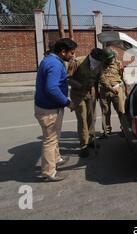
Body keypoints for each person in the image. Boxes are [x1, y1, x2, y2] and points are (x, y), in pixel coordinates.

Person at [34, 38, 77, 182]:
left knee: (54, 137)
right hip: (49, 109)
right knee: (50, 140)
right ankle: (48, 172)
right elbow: (52, 88)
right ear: (62, 52)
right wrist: (67, 102)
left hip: (48, 107)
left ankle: (56, 158)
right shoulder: (54, 64)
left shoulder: (50, 60)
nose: (73, 55)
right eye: (71, 52)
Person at [67, 48, 105, 158]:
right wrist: (79, 85)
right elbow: (68, 78)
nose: (97, 63)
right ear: (91, 56)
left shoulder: (100, 63)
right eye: (96, 60)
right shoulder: (77, 62)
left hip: (91, 93)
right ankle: (84, 145)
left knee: (92, 118)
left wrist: (109, 87)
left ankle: (91, 139)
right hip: (78, 94)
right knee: (82, 120)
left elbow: (100, 78)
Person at [98, 47, 127, 137]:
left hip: (117, 90)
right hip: (104, 91)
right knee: (105, 112)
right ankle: (107, 131)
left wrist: (126, 89)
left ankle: (124, 129)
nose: (110, 60)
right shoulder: (100, 65)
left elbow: (123, 77)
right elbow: (99, 78)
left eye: (111, 58)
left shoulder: (119, 64)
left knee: (121, 111)